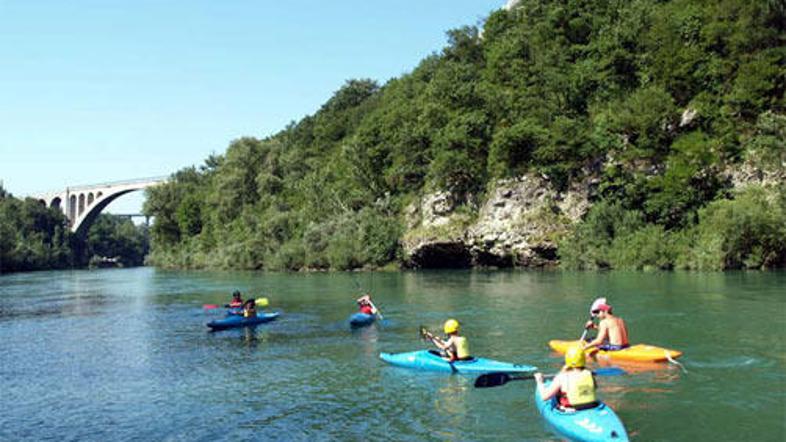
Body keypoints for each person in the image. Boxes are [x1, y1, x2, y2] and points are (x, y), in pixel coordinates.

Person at [534, 345, 598, 411]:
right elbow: (594, 387)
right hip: (591, 406)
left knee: (559, 394)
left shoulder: (562, 376)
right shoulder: (589, 374)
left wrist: (539, 381)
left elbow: (544, 397)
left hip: (572, 409)